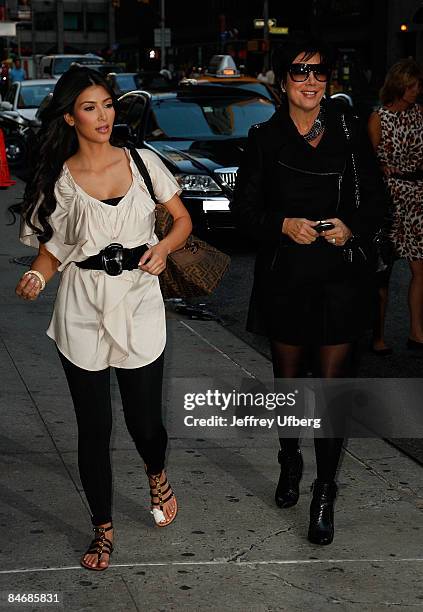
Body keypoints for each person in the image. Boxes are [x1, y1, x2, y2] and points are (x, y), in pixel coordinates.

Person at [14, 66, 192, 570]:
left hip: (138, 299)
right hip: (83, 306)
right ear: (70, 117)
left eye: (108, 105)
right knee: (93, 426)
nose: (103, 116)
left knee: (144, 423)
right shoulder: (58, 179)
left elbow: (182, 220)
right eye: (90, 107)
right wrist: (38, 276)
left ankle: (155, 471)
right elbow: (53, 251)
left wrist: (163, 249)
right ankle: (103, 529)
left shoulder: (141, 160)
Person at [231, 38, 387, 545]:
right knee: (291, 385)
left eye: (320, 72)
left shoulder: (348, 131)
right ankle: (289, 455)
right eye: (300, 72)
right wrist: (283, 223)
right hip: (287, 277)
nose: (311, 81)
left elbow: (377, 202)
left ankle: (324, 491)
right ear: (283, 81)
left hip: (341, 276)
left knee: (332, 392)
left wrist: (352, 227)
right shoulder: (264, 137)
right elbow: (244, 212)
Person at [368, 59, 423, 353]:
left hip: (418, 196)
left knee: (421, 269)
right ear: (399, 86)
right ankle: (376, 337)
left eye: (417, 86)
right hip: (389, 200)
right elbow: (368, 163)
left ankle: (417, 332)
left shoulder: (420, 115)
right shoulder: (379, 118)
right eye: (412, 86)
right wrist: (381, 169)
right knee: (382, 272)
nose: (417, 91)